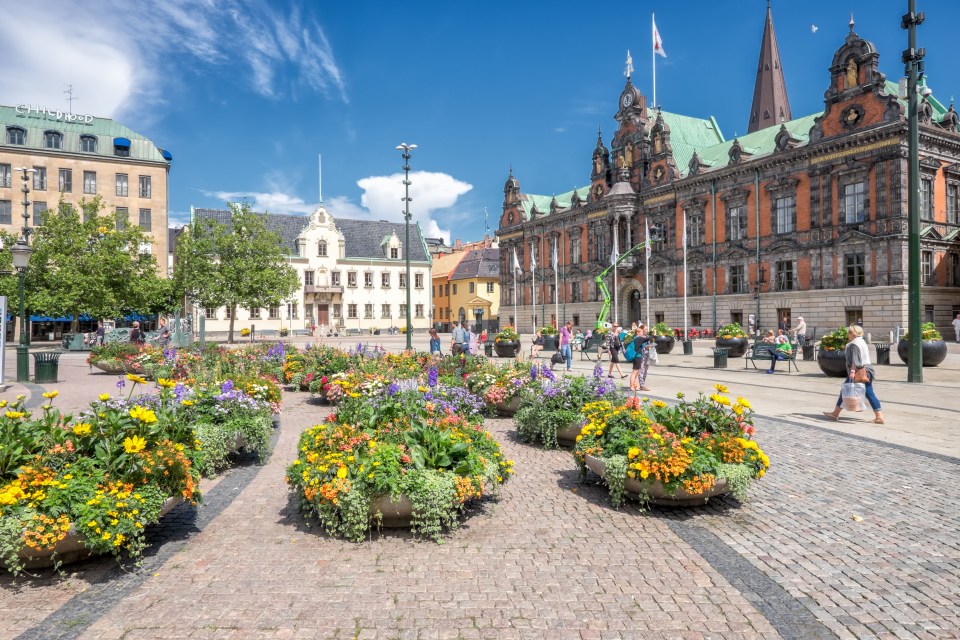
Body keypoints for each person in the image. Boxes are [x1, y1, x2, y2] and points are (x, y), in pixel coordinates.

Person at [823, 325, 884, 424]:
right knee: (869, 393)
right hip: (868, 370)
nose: (848, 335)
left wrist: (852, 372)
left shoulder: (853, 344)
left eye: (849, 333)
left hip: (858, 371)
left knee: (846, 391)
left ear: (853, 334)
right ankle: (879, 416)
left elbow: (855, 360)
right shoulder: (862, 342)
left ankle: (835, 414)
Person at [629, 324, 654, 392]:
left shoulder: (641, 337)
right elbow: (641, 344)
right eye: (645, 329)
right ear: (639, 332)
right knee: (636, 372)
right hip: (639, 356)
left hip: (645, 355)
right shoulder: (639, 338)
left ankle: (635, 385)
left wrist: (650, 346)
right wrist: (653, 334)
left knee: (638, 371)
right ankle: (635, 386)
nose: (645, 331)